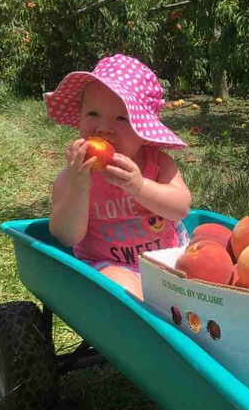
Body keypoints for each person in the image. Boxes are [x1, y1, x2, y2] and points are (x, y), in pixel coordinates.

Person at [46, 54, 192, 300]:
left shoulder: (158, 163)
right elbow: (66, 235)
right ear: (79, 117)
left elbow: (180, 208)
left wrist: (140, 187)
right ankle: (139, 328)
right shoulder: (74, 175)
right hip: (109, 265)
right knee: (123, 293)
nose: (104, 128)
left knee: (209, 275)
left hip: (169, 261)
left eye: (121, 118)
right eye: (93, 114)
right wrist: (79, 187)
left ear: (143, 130)